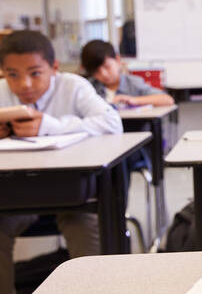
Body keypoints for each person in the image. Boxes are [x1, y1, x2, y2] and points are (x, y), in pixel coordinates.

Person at [0, 30, 123, 293]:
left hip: (71, 194)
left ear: (54, 68)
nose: (25, 84)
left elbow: (112, 123)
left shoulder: (73, 86)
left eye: (35, 73)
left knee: (85, 224)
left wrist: (50, 126)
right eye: (12, 75)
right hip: (13, 196)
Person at [80, 40, 174, 107]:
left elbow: (167, 100)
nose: (104, 74)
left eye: (107, 67)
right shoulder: (89, 87)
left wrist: (134, 100)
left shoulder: (133, 83)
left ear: (117, 60)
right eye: (97, 71)